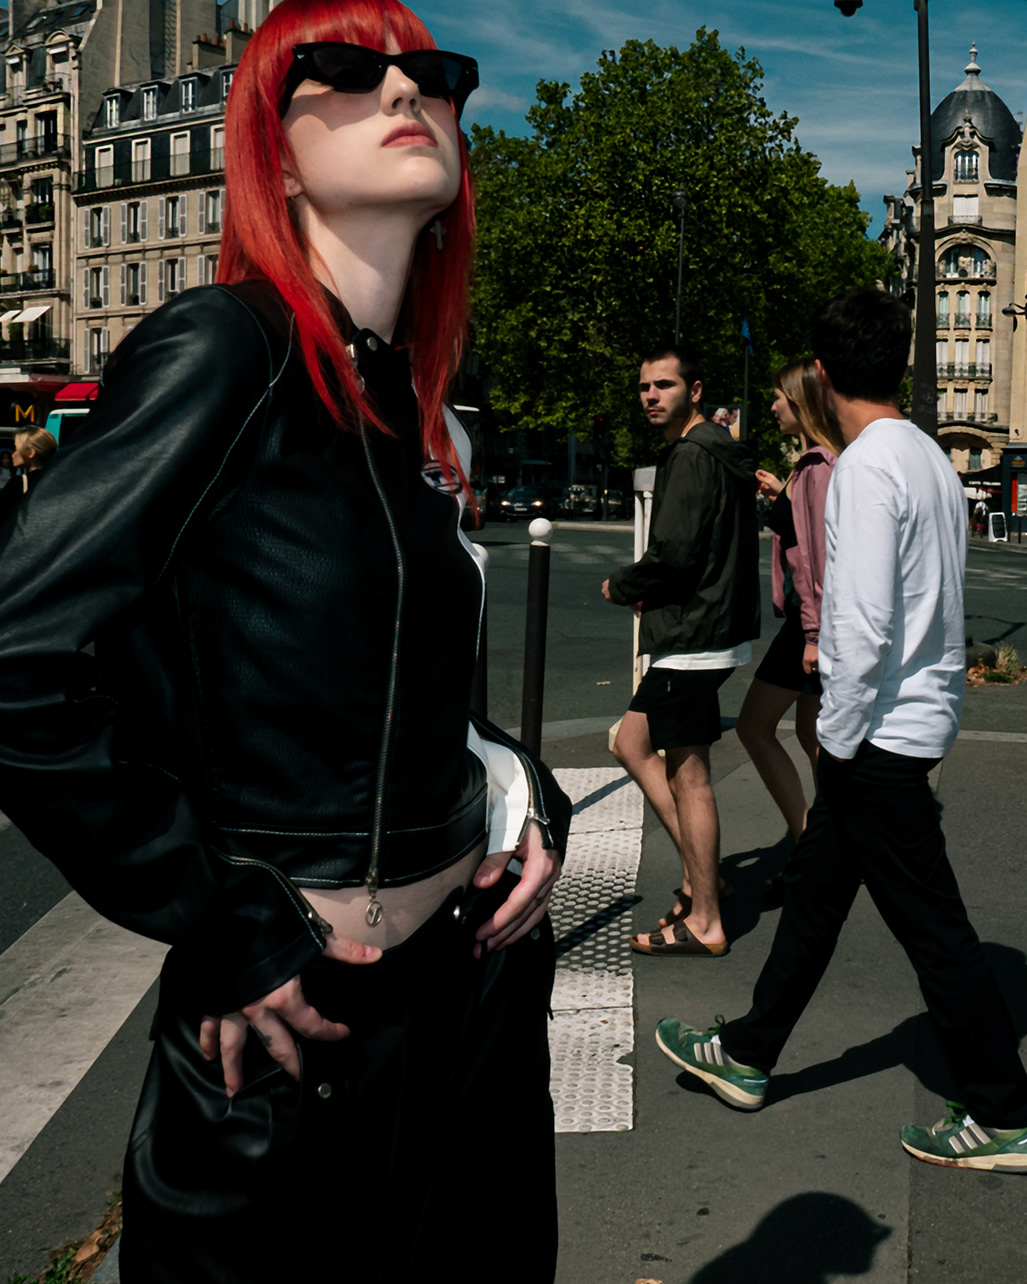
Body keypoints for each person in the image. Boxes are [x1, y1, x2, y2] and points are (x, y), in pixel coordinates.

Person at [0, 4, 571, 1278]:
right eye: (347, 69)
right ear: (275, 146)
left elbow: (405, 686)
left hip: (469, 1000)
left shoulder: (414, 410)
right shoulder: (225, 349)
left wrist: (523, 791)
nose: (404, 91)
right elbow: (20, 666)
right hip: (296, 1026)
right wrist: (221, 919)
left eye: (431, 72)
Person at [654, 287, 1027, 1174]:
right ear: (901, 364)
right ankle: (748, 1052)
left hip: (876, 737)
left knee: (936, 933)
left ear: (824, 373)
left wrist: (835, 739)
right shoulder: (929, 457)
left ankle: (1005, 1115)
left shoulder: (867, 468)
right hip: (914, 720)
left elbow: (861, 626)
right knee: (817, 900)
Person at [604, 345, 762, 957]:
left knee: (689, 774)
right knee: (631, 742)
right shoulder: (712, 449)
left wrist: (623, 585)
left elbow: (675, 551)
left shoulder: (694, 455)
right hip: (706, 627)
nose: (651, 396)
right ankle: (706, 878)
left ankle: (706, 920)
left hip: (693, 635)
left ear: (694, 391)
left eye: (664, 385)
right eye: (645, 386)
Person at [738, 358, 840, 895]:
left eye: (779, 397)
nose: (773, 405)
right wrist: (783, 495)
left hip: (809, 624)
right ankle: (833, 841)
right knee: (810, 731)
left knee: (754, 726)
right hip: (813, 621)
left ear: (800, 402)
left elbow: (819, 558)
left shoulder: (818, 466)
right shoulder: (814, 466)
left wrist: (815, 636)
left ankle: (813, 848)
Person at [9, 427, 55, 492]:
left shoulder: (17, 484)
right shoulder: (58, 480)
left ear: (30, 453)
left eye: (16, 449)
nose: (12, 454)